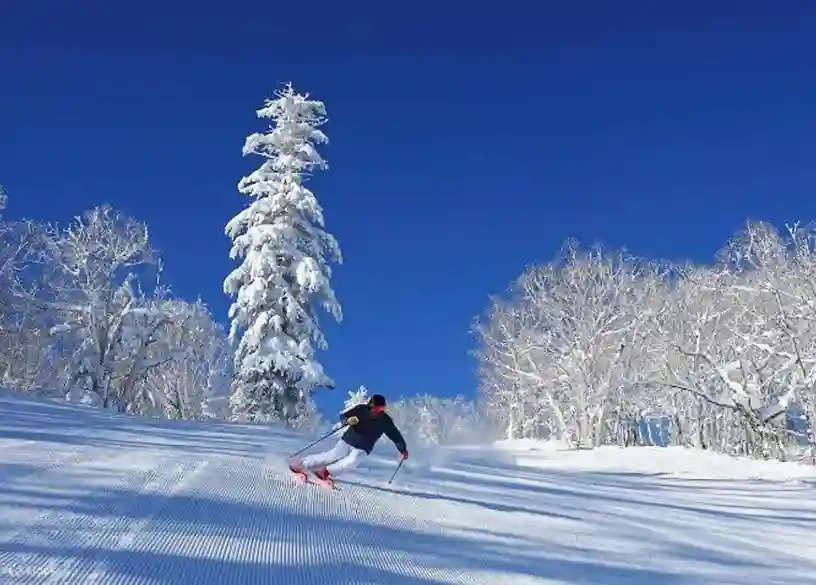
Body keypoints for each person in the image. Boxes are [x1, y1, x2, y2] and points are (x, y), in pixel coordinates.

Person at [290, 394, 408, 486]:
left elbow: (395, 435)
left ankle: (325, 472)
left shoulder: (385, 421)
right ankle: (302, 464)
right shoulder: (361, 409)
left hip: (364, 446)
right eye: (374, 408)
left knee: (352, 461)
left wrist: (403, 449)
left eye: (379, 409)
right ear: (369, 405)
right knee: (333, 455)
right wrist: (348, 420)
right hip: (350, 438)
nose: (376, 411)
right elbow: (344, 416)